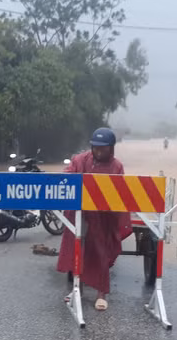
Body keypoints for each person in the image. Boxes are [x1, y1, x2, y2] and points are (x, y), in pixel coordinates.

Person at [56, 128, 132, 311]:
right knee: (77, 249)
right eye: (96, 148)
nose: (99, 152)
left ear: (111, 149)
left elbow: (120, 193)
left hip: (103, 217)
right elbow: (66, 177)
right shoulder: (79, 160)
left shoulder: (117, 166)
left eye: (103, 149)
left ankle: (101, 294)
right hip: (79, 214)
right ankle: (77, 290)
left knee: (100, 253)